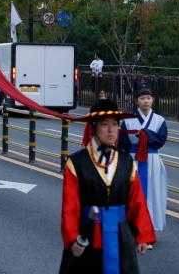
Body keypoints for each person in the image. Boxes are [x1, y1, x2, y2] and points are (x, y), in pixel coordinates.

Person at [59, 99, 155, 274]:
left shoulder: (126, 161)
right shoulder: (77, 162)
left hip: (120, 235)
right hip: (87, 235)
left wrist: (143, 235)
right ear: (94, 127)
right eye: (105, 124)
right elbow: (70, 207)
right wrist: (72, 239)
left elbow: (137, 202)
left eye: (115, 124)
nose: (111, 130)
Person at [118, 79, 168, 235]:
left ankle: (148, 230)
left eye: (148, 98)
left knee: (154, 196)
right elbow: (123, 144)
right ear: (136, 101)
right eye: (142, 98)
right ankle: (134, 228)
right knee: (132, 195)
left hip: (152, 161)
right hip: (133, 161)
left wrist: (146, 135)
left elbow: (160, 141)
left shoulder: (160, 121)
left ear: (153, 100)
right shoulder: (128, 121)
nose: (146, 101)